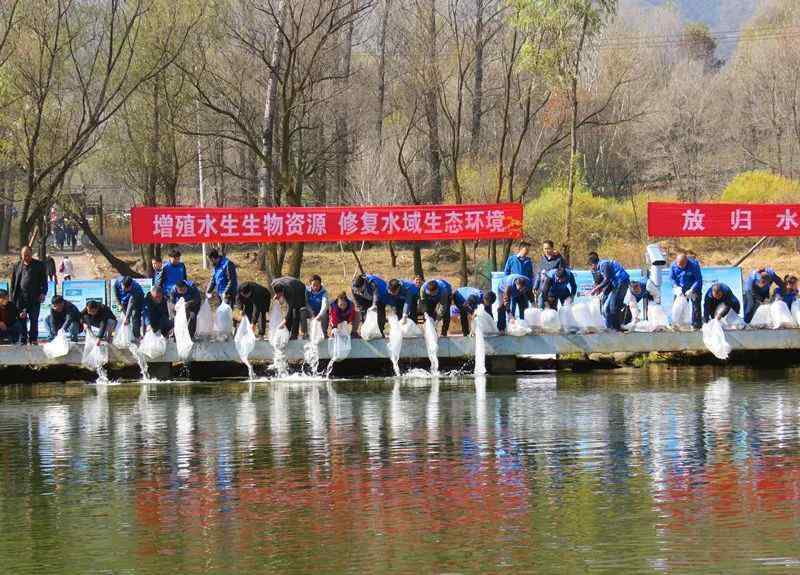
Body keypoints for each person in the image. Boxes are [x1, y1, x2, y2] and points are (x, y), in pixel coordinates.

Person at [10, 246, 49, 344]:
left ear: (31, 254)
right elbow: (13, 283)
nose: (26, 257)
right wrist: (12, 298)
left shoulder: (39, 265)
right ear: (21, 255)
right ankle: (23, 339)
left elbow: (44, 281)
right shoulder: (17, 266)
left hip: (34, 298)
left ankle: (33, 339)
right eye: (24, 255)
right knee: (21, 319)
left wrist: (43, 293)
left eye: (28, 255)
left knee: (34, 319)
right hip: (20, 298)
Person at [588, 252, 630, 331]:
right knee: (608, 307)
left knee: (613, 306)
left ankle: (616, 328)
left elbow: (607, 279)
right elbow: (608, 281)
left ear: (593, 264)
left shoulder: (603, 265)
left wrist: (596, 288)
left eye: (591, 266)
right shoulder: (602, 267)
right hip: (618, 283)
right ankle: (612, 327)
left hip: (621, 282)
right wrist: (599, 289)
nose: (592, 268)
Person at [670, 252, 703, 329]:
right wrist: (675, 287)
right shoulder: (673, 265)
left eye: (683, 265)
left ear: (686, 261)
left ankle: (696, 326)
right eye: (679, 265)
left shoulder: (694, 265)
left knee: (696, 307)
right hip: (680, 290)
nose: (681, 267)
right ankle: (679, 325)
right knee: (678, 308)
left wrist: (692, 289)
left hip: (694, 289)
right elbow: (671, 278)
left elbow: (698, 279)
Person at [534, 240, 566, 308]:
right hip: (541, 290)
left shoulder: (559, 259)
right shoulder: (542, 259)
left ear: (552, 248)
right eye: (545, 249)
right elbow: (539, 274)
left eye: (548, 248)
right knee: (541, 310)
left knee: (552, 312)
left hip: (552, 291)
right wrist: (535, 286)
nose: (546, 251)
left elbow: (562, 273)